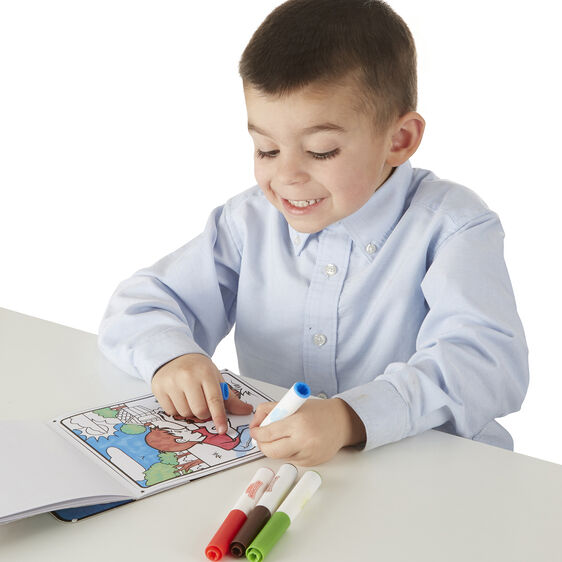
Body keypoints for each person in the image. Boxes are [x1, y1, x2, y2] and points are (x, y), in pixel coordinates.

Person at [98, 0, 529, 466]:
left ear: (398, 140)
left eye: (321, 151)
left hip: (434, 475)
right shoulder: (248, 220)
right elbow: (141, 302)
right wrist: (173, 358)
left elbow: (487, 364)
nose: (286, 177)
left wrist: (350, 417)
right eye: (266, 149)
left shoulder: (453, 227)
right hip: (289, 475)